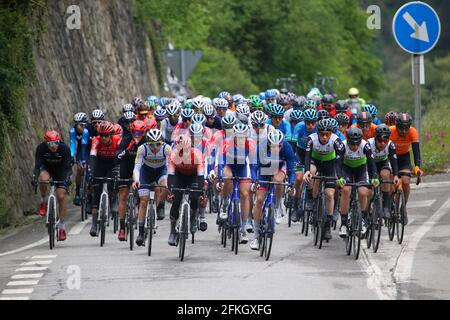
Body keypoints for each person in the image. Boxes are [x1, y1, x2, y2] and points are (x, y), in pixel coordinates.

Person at [249, 130, 296, 249]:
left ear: (282, 144)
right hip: (264, 170)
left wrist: (291, 184)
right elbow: (254, 167)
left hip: (279, 169)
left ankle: (276, 207)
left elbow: (291, 170)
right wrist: (255, 181)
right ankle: (255, 236)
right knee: (259, 200)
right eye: (273, 146)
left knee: (278, 180)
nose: (276, 148)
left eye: (279, 146)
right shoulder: (261, 147)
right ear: (269, 144)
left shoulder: (287, 148)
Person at [302, 119, 344, 240]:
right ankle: (311, 197)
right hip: (315, 161)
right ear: (317, 133)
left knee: (330, 194)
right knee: (311, 172)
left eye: (327, 134)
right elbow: (307, 157)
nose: (325, 137)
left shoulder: (336, 140)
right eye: (322, 134)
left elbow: (339, 160)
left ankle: (327, 226)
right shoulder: (311, 139)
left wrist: (339, 176)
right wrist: (306, 172)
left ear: (331, 133)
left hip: (330, 164)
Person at [335, 126, 379, 238]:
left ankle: (363, 219)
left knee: (363, 192)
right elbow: (338, 164)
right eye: (352, 144)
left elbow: (371, 163)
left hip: (361, 169)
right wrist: (340, 177)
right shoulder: (342, 145)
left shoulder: (365, 145)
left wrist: (374, 176)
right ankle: (344, 223)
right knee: (345, 191)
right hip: (347, 169)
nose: (354, 147)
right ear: (348, 141)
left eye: (357, 144)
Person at [216, 123, 257, 244]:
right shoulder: (226, 143)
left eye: (242, 137)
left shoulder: (250, 144)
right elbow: (221, 162)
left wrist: (255, 181)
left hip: (242, 167)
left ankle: (243, 229)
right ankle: (224, 205)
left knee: (245, 194)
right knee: (227, 177)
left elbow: (253, 165)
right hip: (229, 165)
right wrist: (219, 179)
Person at [132, 129, 171, 246]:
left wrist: (170, 181)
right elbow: (137, 167)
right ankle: (140, 232)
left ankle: (161, 206)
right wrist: (137, 180)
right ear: (147, 144)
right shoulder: (142, 149)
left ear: (162, 143)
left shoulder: (167, 149)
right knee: (143, 201)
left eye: (157, 144)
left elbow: (170, 167)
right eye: (151, 145)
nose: (154, 147)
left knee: (165, 185)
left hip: (161, 171)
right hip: (146, 172)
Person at [32, 130, 72, 241]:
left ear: (59, 141)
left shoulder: (64, 148)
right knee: (43, 179)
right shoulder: (41, 148)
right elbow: (37, 166)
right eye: (50, 144)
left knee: (61, 196)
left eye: (55, 143)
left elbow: (68, 167)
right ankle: (43, 201)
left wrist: (68, 178)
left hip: (61, 171)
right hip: (47, 168)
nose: (53, 146)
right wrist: (34, 177)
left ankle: (62, 226)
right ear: (46, 143)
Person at [166, 136, 205, 246]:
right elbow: (171, 175)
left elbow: (200, 175)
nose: (184, 153)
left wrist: (200, 191)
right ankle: (173, 231)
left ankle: (193, 218)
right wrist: (171, 190)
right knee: (176, 200)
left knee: (194, 197)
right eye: (181, 150)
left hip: (193, 176)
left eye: (187, 150)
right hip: (179, 176)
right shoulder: (173, 155)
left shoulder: (197, 154)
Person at [115, 120, 148, 241]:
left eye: (140, 132)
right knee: (123, 195)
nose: (137, 135)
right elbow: (117, 158)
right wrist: (127, 149)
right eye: (134, 132)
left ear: (144, 132)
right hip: (126, 166)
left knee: (142, 197)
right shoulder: (126, 139)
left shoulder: (147, 141)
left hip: (141, 168)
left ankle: (141, 225)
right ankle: (122, 228)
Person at [88, 121, 122, 237]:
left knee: (115, 181)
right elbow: (92, 156)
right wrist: (91, 171)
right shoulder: (96, 140)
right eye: (101, 135)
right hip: (100, 164)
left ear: (111, 135)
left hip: (114, 163)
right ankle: (94, 224)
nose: (103, 138)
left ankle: (114, 199)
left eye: (106, 135)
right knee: (96, 193)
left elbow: (122, 156)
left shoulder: (118, 140)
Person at [389, 112, 423, 224]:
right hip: (390, 157)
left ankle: (403, 207)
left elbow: (416, 152)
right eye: (401, 128)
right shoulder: (390, 131)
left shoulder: (413, 132)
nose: (404, 131)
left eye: (406, 128)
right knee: (392, 182)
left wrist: (418, 167)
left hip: (404, 158)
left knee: (406, 180)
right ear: (396, 126)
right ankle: (390, 203)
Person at [368, 124, 400, 218]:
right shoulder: (369, 144)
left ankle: (386, 205)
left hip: (383, 163)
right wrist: (374, 176)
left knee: (385, 175)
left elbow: (394, 161)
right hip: (370, 164)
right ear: (375, 138)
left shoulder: (390, 145)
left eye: (385, 141)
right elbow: (370, 163)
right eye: (380, 141)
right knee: (371, 185)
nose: (383, 143)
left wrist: (396, 176)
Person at [70, 113, 90, 206]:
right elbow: (73, 143)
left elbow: (85, 146)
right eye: (77, 124)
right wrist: (71, 155)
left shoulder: (86, 131)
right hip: (80, 150)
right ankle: (77, 193)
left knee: (90, 171)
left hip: (89, 149)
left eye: (81, 125)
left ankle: (90, 193)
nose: (79, 127)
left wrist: (84, 160)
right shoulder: (73, 131)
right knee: (79, 169)